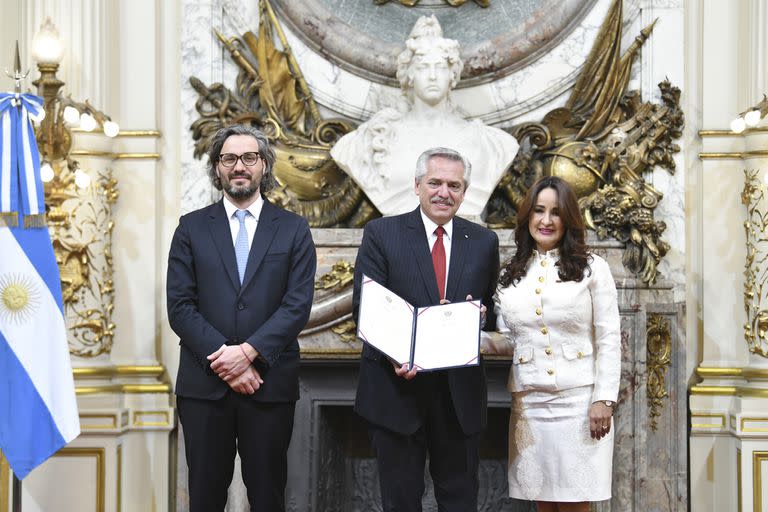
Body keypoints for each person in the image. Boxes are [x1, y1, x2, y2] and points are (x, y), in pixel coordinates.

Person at [166, 124, 316, 511]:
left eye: (249, 158)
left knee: (268, 496)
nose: (239, 166)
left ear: (264, 166)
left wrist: (248, 353)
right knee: (205, 498)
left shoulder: (294, 229)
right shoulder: (191, 227)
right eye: (229, 158)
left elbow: (296, 305)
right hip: (204, 388)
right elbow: (180, 306)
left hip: (268, 383)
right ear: (216, 167)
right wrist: (225, 358)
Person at [352, 147, 500, 511]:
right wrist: (394, 357)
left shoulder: (484, 242)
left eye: (454, 185)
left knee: (460, 500)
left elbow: (494, 311)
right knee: (400, 501)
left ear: (464, 192)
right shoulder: (381, 233)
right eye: (435, 182)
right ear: (417, 185)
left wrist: (481, 315)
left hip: (458, 396)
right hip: (397, 388)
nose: (443, 192)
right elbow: (366, 307)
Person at [494, 176, 621, 511]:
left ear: (569, 219)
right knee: (542, 502)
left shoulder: (593, 269)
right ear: (528, 217)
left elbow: (609, 336)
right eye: (538, 211)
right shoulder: (511, 274)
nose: (546, 220)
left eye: (555, 212)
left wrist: (604, 400)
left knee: (574, 502)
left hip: (579, 403)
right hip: (530, 404)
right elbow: (508, 340)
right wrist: (465, 331)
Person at [332, 15, 517, 218]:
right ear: (409, 75)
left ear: (452, 75)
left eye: (440, 67)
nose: (432, 76)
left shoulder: (492, 143)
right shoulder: (372, 138)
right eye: (423, 67)